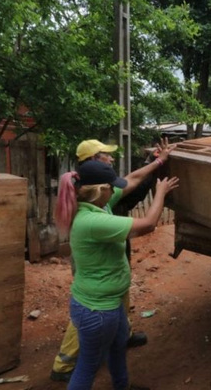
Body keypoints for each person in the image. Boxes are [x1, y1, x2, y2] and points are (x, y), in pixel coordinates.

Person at [51, 138, 174, 383]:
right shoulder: (92, 220)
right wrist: (160, 192)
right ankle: (63, 365)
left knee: (118, 346)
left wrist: (158, 160)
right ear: (101, 189)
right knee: (88, 364)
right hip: (97, 307)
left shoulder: (95, 200)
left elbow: (133, 179)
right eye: (111, 186)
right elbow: (148, 224)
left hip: (110, 298)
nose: (115, 188)